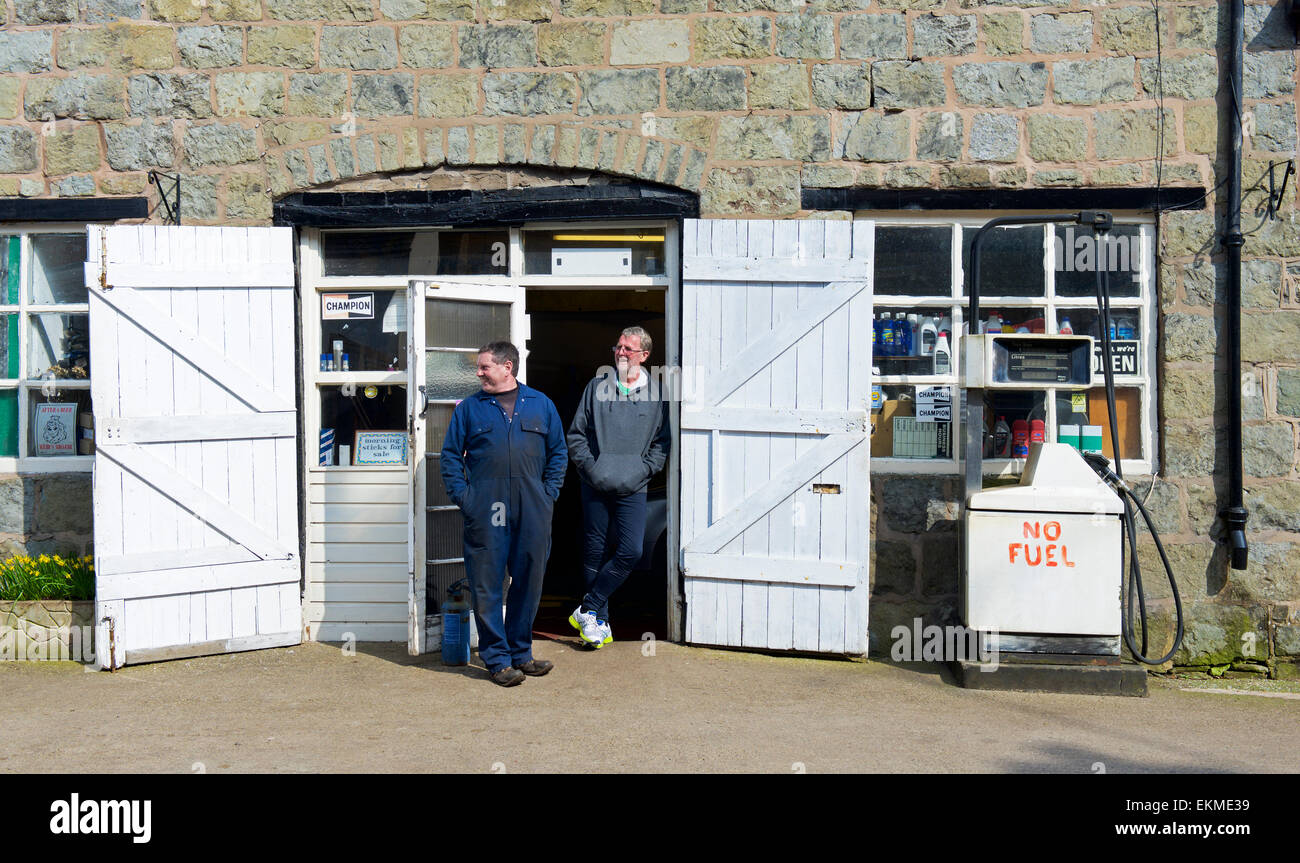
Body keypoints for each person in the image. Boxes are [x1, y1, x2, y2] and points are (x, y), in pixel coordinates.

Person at [440, 341, 567, 686]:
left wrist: (548, 494)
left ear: (507, 367)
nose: (478, 373)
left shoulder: (542, 405)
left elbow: (558, 453)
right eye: (479, 368)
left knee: (528, 582)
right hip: (487, 509)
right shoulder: (469, 409)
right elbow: (450, 457)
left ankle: (521, 654)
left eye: (484, 367)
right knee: (487, 585)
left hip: (532, 509)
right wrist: (466, 499)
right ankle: (496, 659)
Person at [566, 326, 671, 648]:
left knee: (631, 550)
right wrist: (592, 470)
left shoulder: (657, 394)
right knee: (595, 552)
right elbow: (576, 434)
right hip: (595, 483)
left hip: (633, 486)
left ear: (645, 355)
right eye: (618, 347)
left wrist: (643, 470)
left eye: (628, 349)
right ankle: (598, 624)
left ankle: (588, 607)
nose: (621, 353)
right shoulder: (596, 387)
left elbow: (661, 443)